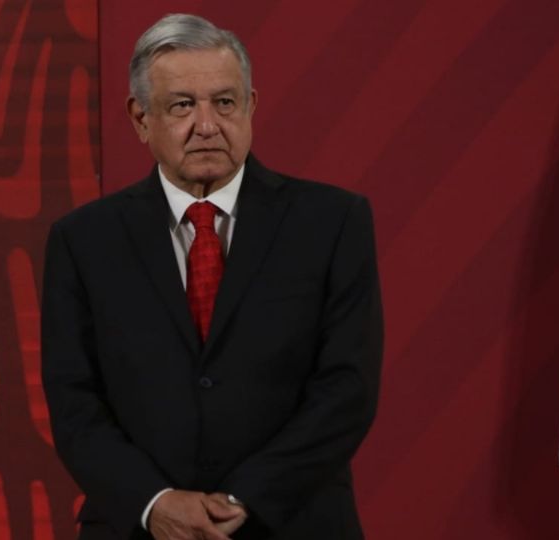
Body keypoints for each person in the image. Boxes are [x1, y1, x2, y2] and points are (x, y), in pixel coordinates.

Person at [41, 13, 383, 540]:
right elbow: (74, 402)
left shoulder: (332, 223)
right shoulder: (84, 240)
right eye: (182, 105)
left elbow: (347, 390)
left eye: (225, 102)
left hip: (293, 523)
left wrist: (241, 500)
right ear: (140, 118)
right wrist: (155, 503)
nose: (207, 125)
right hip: (137, 528)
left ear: (250, 106)